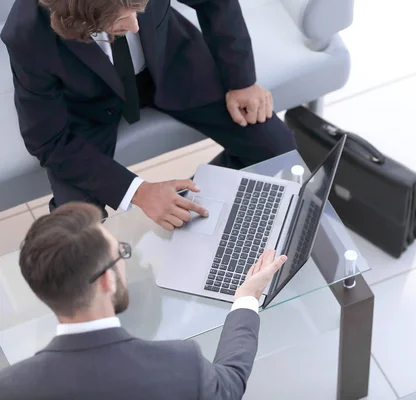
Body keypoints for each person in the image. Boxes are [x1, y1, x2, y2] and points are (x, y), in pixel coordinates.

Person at [1, 0, 297, 231]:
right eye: (119, 21)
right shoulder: (26, 35)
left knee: (276, 148)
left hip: (172, 65)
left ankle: (187, 207)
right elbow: (48, 141)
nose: (135, 26)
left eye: (138, 9)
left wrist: (240, 79)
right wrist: (138, 191)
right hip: (85, 106)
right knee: (79, 226)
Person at [0, 202, 287, 399]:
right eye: (120, 253)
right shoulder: (180, 363)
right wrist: (247, 299)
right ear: (106, 280)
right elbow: (230, 384)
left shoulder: (10, 387)